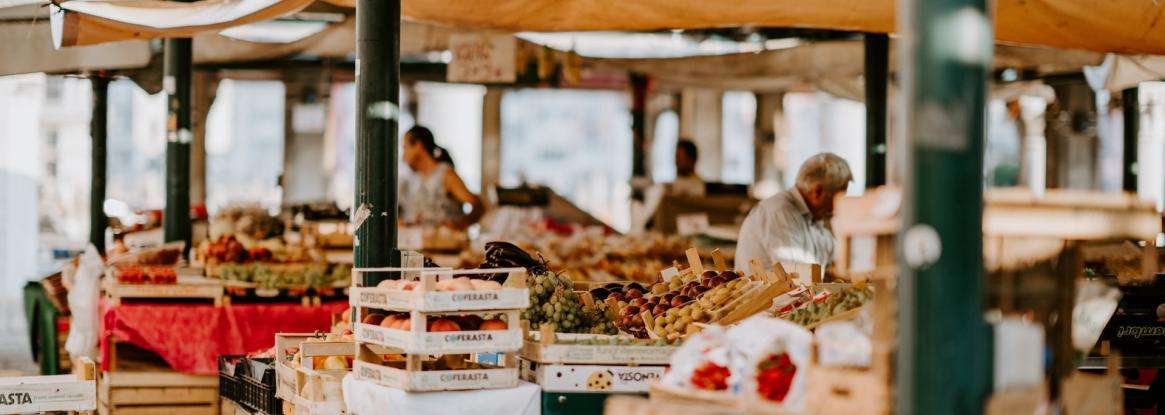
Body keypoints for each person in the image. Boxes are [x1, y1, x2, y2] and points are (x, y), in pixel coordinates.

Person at [735, 152, 852, 272]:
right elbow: (800, 277)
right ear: (818, 191)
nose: (837, 206)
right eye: (838, 197)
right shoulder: (779, 213)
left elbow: (837, 254)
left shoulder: (812, 217)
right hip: (772, 291)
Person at [399, 126, 484, 229]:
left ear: (418, 146)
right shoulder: (416, 179)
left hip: (446, 243)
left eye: (405, 148)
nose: (403, 157)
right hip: (423, 243)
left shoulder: (445, 175)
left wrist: (459, 225)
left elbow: (478, 205)